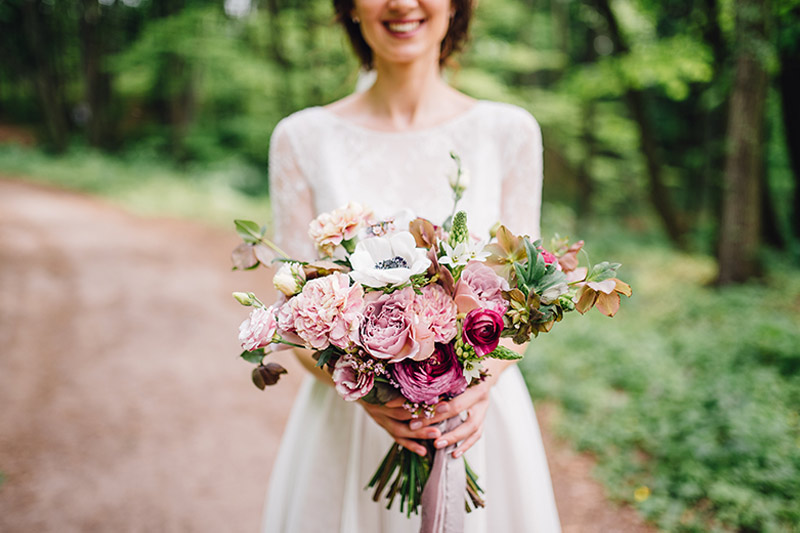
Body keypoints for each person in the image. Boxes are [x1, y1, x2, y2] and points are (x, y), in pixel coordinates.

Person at [262, 1, 561, 531]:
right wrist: (369, 394)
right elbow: (293, 311)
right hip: (351, 419)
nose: (402, 3)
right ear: (351, 7)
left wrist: (477, 383)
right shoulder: (302, 138)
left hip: (476, 421)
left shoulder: (509, 132)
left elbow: (526, 300)